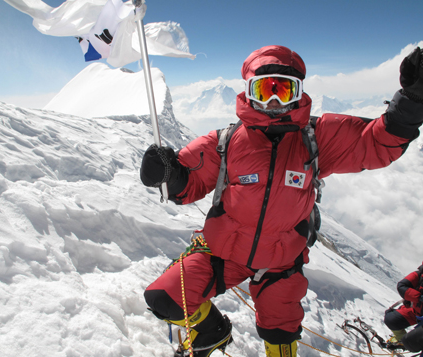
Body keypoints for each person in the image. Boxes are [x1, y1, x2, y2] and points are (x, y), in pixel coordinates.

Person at [140, 45, 423, 357]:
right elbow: (187, 183)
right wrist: (166, 173)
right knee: (164, 297)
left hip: (280, 262)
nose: (274, 100)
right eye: (265, 89)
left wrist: (411, 102)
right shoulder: (225, 141)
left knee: (280, 335)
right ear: (249, 92)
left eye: (284, 89)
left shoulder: (317, 137)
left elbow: (374, 143)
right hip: (221, 253)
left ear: (298, 93)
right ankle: (211, 331)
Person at [384, 263, 423, 353]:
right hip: (415, 311)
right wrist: (418, 297)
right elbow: (402, 286)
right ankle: (401, 341)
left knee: (414, 340)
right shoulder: (419, 274)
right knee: (392, 319)